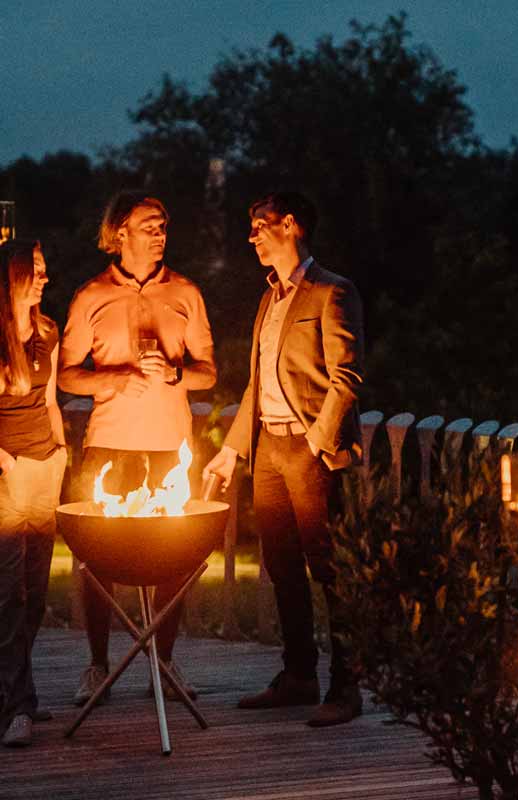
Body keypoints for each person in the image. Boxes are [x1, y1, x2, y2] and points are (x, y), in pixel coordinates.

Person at [203, 191, 365, 727]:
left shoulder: (331, 291)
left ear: (289, 224)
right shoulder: (269, 298)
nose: (250, 236)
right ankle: (299, 676)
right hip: (268, 449)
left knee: (330, 569)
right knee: (281, 567)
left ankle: (346, 688)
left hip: (309, 449)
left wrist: (318, 445)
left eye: (258, 225)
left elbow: (346, 380)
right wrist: (230, 451)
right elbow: (258, 380)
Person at [58, 192, 216, 707]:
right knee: (98, 560)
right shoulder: (90, 296)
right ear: (119, 231)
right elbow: (67, 375)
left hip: (171, 448)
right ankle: (98, 667)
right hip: (110, 446)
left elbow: (208, 372)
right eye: (149, 224)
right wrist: (117, 377)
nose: (160, 231)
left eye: (164, 224)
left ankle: (162, 663)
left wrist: (174, 372)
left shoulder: (186, 293)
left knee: (174, 558)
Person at [0, 240, 67, 747]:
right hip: (7, 473)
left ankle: (16, 696)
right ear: (14, 276)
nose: (44, 279)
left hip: (46, 467)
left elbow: (49, 400)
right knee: (8, 595)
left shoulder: (47, 331)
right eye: (36, 271)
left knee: (36, 593)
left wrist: (62, 451)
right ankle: (19, 705)